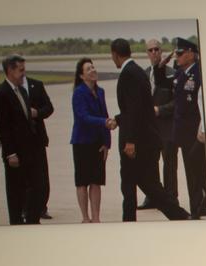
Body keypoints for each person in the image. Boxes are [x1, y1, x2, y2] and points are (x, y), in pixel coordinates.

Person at [109, 38, 188, 221]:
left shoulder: (128, 74)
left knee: (136, 187)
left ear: (115, 54)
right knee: (145, 186)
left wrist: (129, 140)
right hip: (145, 139)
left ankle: (176, 215)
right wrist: (118, 120)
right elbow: (137, 109)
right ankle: (178, 215)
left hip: (136, 144)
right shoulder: (138, 72)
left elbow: (134, 109)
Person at [0, 54, 53, 225]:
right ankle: (17, 224)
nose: (23, 74)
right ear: (10, 71)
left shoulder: (22, 91)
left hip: (30, 151)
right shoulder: (2, 93)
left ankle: (32, 221)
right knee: (16, 193)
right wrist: (10, 152)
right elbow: (3, 126)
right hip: (16, 154)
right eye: (20, 70)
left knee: (37, 187)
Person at [70, 59, 114, 224]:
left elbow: (105, 113)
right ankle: (85, 217)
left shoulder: (100, 91)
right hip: (82, 142)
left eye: (93, 67)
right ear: (82, 75)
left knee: (96, 182)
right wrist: (104, 122)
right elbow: (83, 117)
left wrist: (107, 143)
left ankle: (96, 217)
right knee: (82, 182)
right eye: (88, 69)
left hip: (97, 143)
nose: (93, 70)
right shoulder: (79, 93)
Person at [171, 37, 206, 218]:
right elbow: (163, 83)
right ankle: (199, 206)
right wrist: (157, 66)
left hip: (195, 130)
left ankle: (201, 205)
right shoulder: (181, 73)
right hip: (183, 132)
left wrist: (202, 128)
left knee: (196, 169)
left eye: (180, 53)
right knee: (190, 171)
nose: (177, 57)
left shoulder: (198, 73)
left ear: (190, 54)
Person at [143, 39, 178, 206]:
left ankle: (171, 197)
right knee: (150, 162)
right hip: (150, 127)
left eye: (157, 49)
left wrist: (160, 110)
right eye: (151, 50)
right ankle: (152, 196)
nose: (154, 52)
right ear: (147, 53)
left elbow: (177, 101)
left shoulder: (171, 72)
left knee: (169, 162)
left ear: (161, 51)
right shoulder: (143, 74)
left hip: (166, 125)